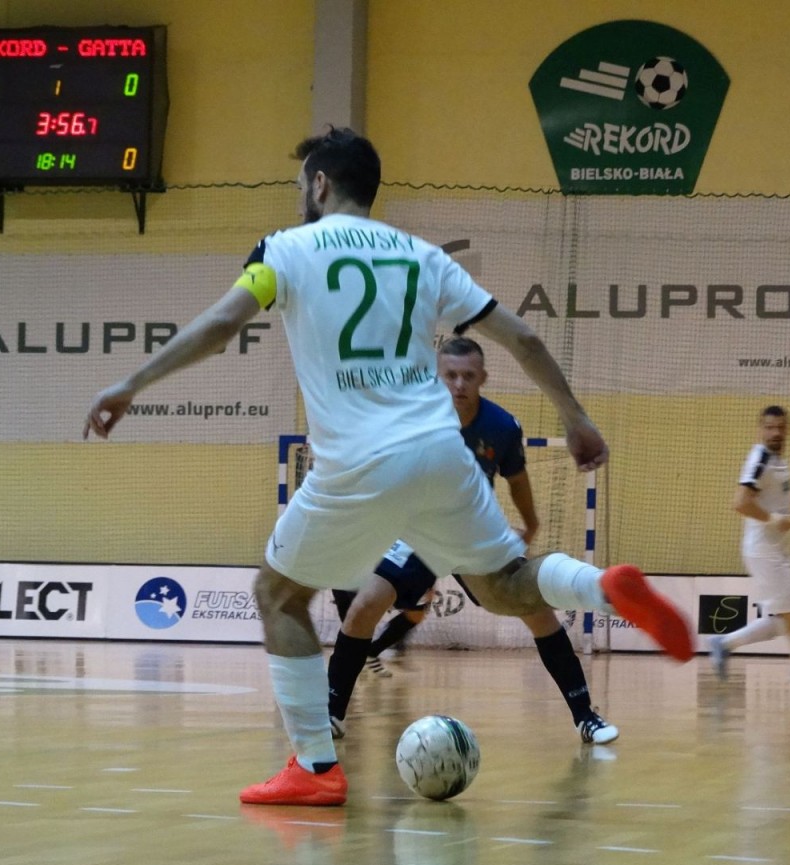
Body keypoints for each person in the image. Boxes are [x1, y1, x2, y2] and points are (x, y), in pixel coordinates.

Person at [83, 126, 693, 807]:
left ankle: (315, 767)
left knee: (279, 596)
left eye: (302, 185)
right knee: (504, 588)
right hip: (443, 454)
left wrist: (131, 384)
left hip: (359, 463)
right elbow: (521, 337)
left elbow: (224, 326)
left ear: (319, 184)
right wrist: (575, 416)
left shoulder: (284, 250)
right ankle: (602, 586)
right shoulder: (423, 256)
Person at [327, 337, 619, 746]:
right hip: (421, 530)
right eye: (450, 375)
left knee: (537, 612)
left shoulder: (502, 427)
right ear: (437, 377)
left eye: (468, 375)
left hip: (475, 531)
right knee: (364, 608)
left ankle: (586, 716)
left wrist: (530, 525)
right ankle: (331, 715)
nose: (459, 384)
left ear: (483, 377)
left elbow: (517, 480)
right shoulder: (411, 419)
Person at [708, 406, 790, 689]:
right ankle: (725, 643)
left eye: (780, 427)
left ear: (787, 429)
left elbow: (770, 492)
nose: (775, 432)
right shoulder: (761, 458)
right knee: (789, 615)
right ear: (760, 429)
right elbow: (740, 503)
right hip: (763, 549)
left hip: (777, 548)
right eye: (769, 427)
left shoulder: (777, 459)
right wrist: (775, 520)